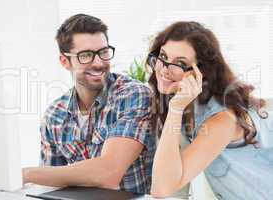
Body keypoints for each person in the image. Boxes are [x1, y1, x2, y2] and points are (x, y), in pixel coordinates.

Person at [22, 14, 156, 194]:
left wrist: (26, 174)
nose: (99, 62)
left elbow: (108, 173)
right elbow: (50, 186)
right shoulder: (54, 116)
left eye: (103, 52)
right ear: (65, 61)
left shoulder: (133, 95)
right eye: (86, 55)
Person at [147, 21, 273, 199]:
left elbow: (162, 188)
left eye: (180, 63)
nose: (165, 69)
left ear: (202, 72)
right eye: (163, 56)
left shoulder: (222, 120)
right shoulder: (186, 104)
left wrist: (176, 109)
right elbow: (172, 184)